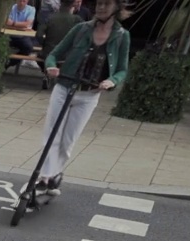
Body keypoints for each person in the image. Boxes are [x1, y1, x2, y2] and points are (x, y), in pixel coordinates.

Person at [36, 0, 130, 194]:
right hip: (64, 88)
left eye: (106, 4)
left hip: (89, 95)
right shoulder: (80, 29)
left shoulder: (122, 36)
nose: (101, 7)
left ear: (117, 8)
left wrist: (112, 81)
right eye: (99, 3)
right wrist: (51, 66)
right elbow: (54, 54)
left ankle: (55, 174)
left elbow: (122, 70)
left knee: (68, 141)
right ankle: (44, 178)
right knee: (52, 136)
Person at [6, 0, 38, 66]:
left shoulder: (31, 9)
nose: (21, 3)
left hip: (23, 36)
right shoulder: (11, 8)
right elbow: (7, 23)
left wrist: (13, 23)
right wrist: (22, 26)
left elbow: (27, 24)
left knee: (28, 48)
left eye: (24, 1)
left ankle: (7, 64)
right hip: (9, 35)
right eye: (20, 1)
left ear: (27, 1)